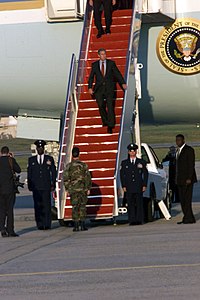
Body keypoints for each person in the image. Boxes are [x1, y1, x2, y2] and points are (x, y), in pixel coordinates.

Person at [88, 48, 127, 134]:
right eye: (102, 54)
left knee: (110, 106)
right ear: (98, 55)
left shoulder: (111, 64)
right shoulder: (94, 65)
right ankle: (105, 121)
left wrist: (123, 83)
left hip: (109, 88)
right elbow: (91, 77)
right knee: (101, 105)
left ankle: (110, 125)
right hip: (99, 89)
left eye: (104, 54)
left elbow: (117, 74)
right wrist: (90, 87)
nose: (104, 56)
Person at [27, 140, 56, 230]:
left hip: (46, 186)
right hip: (36, 187)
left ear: (43, 149)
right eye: (38, 148)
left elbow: (53, 172)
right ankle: (40, 223)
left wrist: (53, 183)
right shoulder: (31, 160)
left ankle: (47, 223)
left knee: (47, 205)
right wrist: (30, 185)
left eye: (41, 148)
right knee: (38, 206)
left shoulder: (49, 159)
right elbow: (30, 173)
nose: (40, 149)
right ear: (36, 149)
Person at [63, 147, 92, 232]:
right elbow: (87, 178)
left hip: (73, 190)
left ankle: (76, 225)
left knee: (75, 207)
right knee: (82, 207)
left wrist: (68, 189)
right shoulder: (84, 165)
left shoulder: (69, 166)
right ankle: (82, 225)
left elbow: (66, 179)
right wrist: (88, 188)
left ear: (72, 155)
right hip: (82, 189)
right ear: (79, 154)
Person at [120, 143, 148, 225]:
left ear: (136, 152)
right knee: (130, 203)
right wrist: (124, 185)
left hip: (138, 186)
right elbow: (122, 175)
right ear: (128, 152)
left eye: (134, 151)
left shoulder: (141, 162)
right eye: (131, 151)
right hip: (129, 186)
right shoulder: (124, 163)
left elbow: (145, 174)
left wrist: (144, 185)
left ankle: (139, 219)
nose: (132, 152)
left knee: (139, 203)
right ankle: (132, 220)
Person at [0, 146, 21, 237]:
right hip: (9, 189)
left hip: (0, 190)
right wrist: (12, 158)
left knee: (1, 210)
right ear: (8, 152)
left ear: (1, 153)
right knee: (10, 210)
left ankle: (2, 229)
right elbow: (18, 170)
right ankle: (10, 230)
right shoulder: (10, 160)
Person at [176, 134, 197, 224]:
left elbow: (191, 165)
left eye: (179, 140)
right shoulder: (178, 151)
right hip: (180, 179)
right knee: (182, 199)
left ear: (183, 140)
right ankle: (188, 217)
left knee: (187, 199)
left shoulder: (189, 150)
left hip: (187, 180)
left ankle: (188, 218)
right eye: (176, 140)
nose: (178, 142)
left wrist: (189, 177)